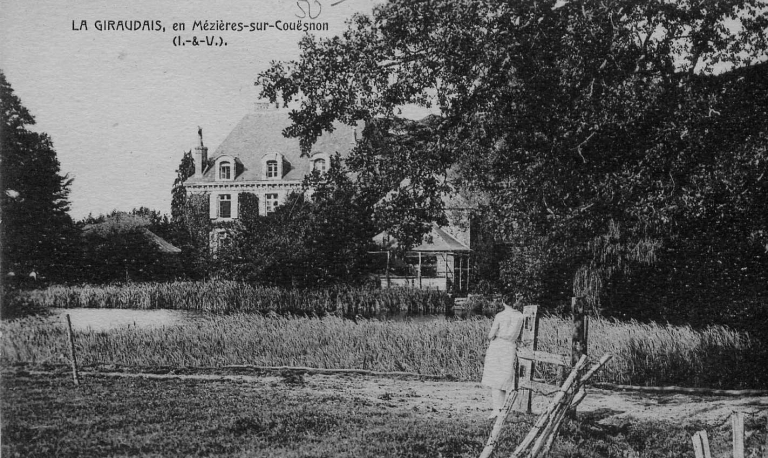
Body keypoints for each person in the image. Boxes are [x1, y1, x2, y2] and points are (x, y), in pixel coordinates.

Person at [481, 293, 525, 419]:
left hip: (497, 346)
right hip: (510, 346)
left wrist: (494, 335)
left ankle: (497, 409)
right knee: (506, 377)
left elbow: (491, 334)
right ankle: (505, 408)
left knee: (495, 378)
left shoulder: (500, 316)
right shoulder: (520, 316)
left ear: (504, 303)